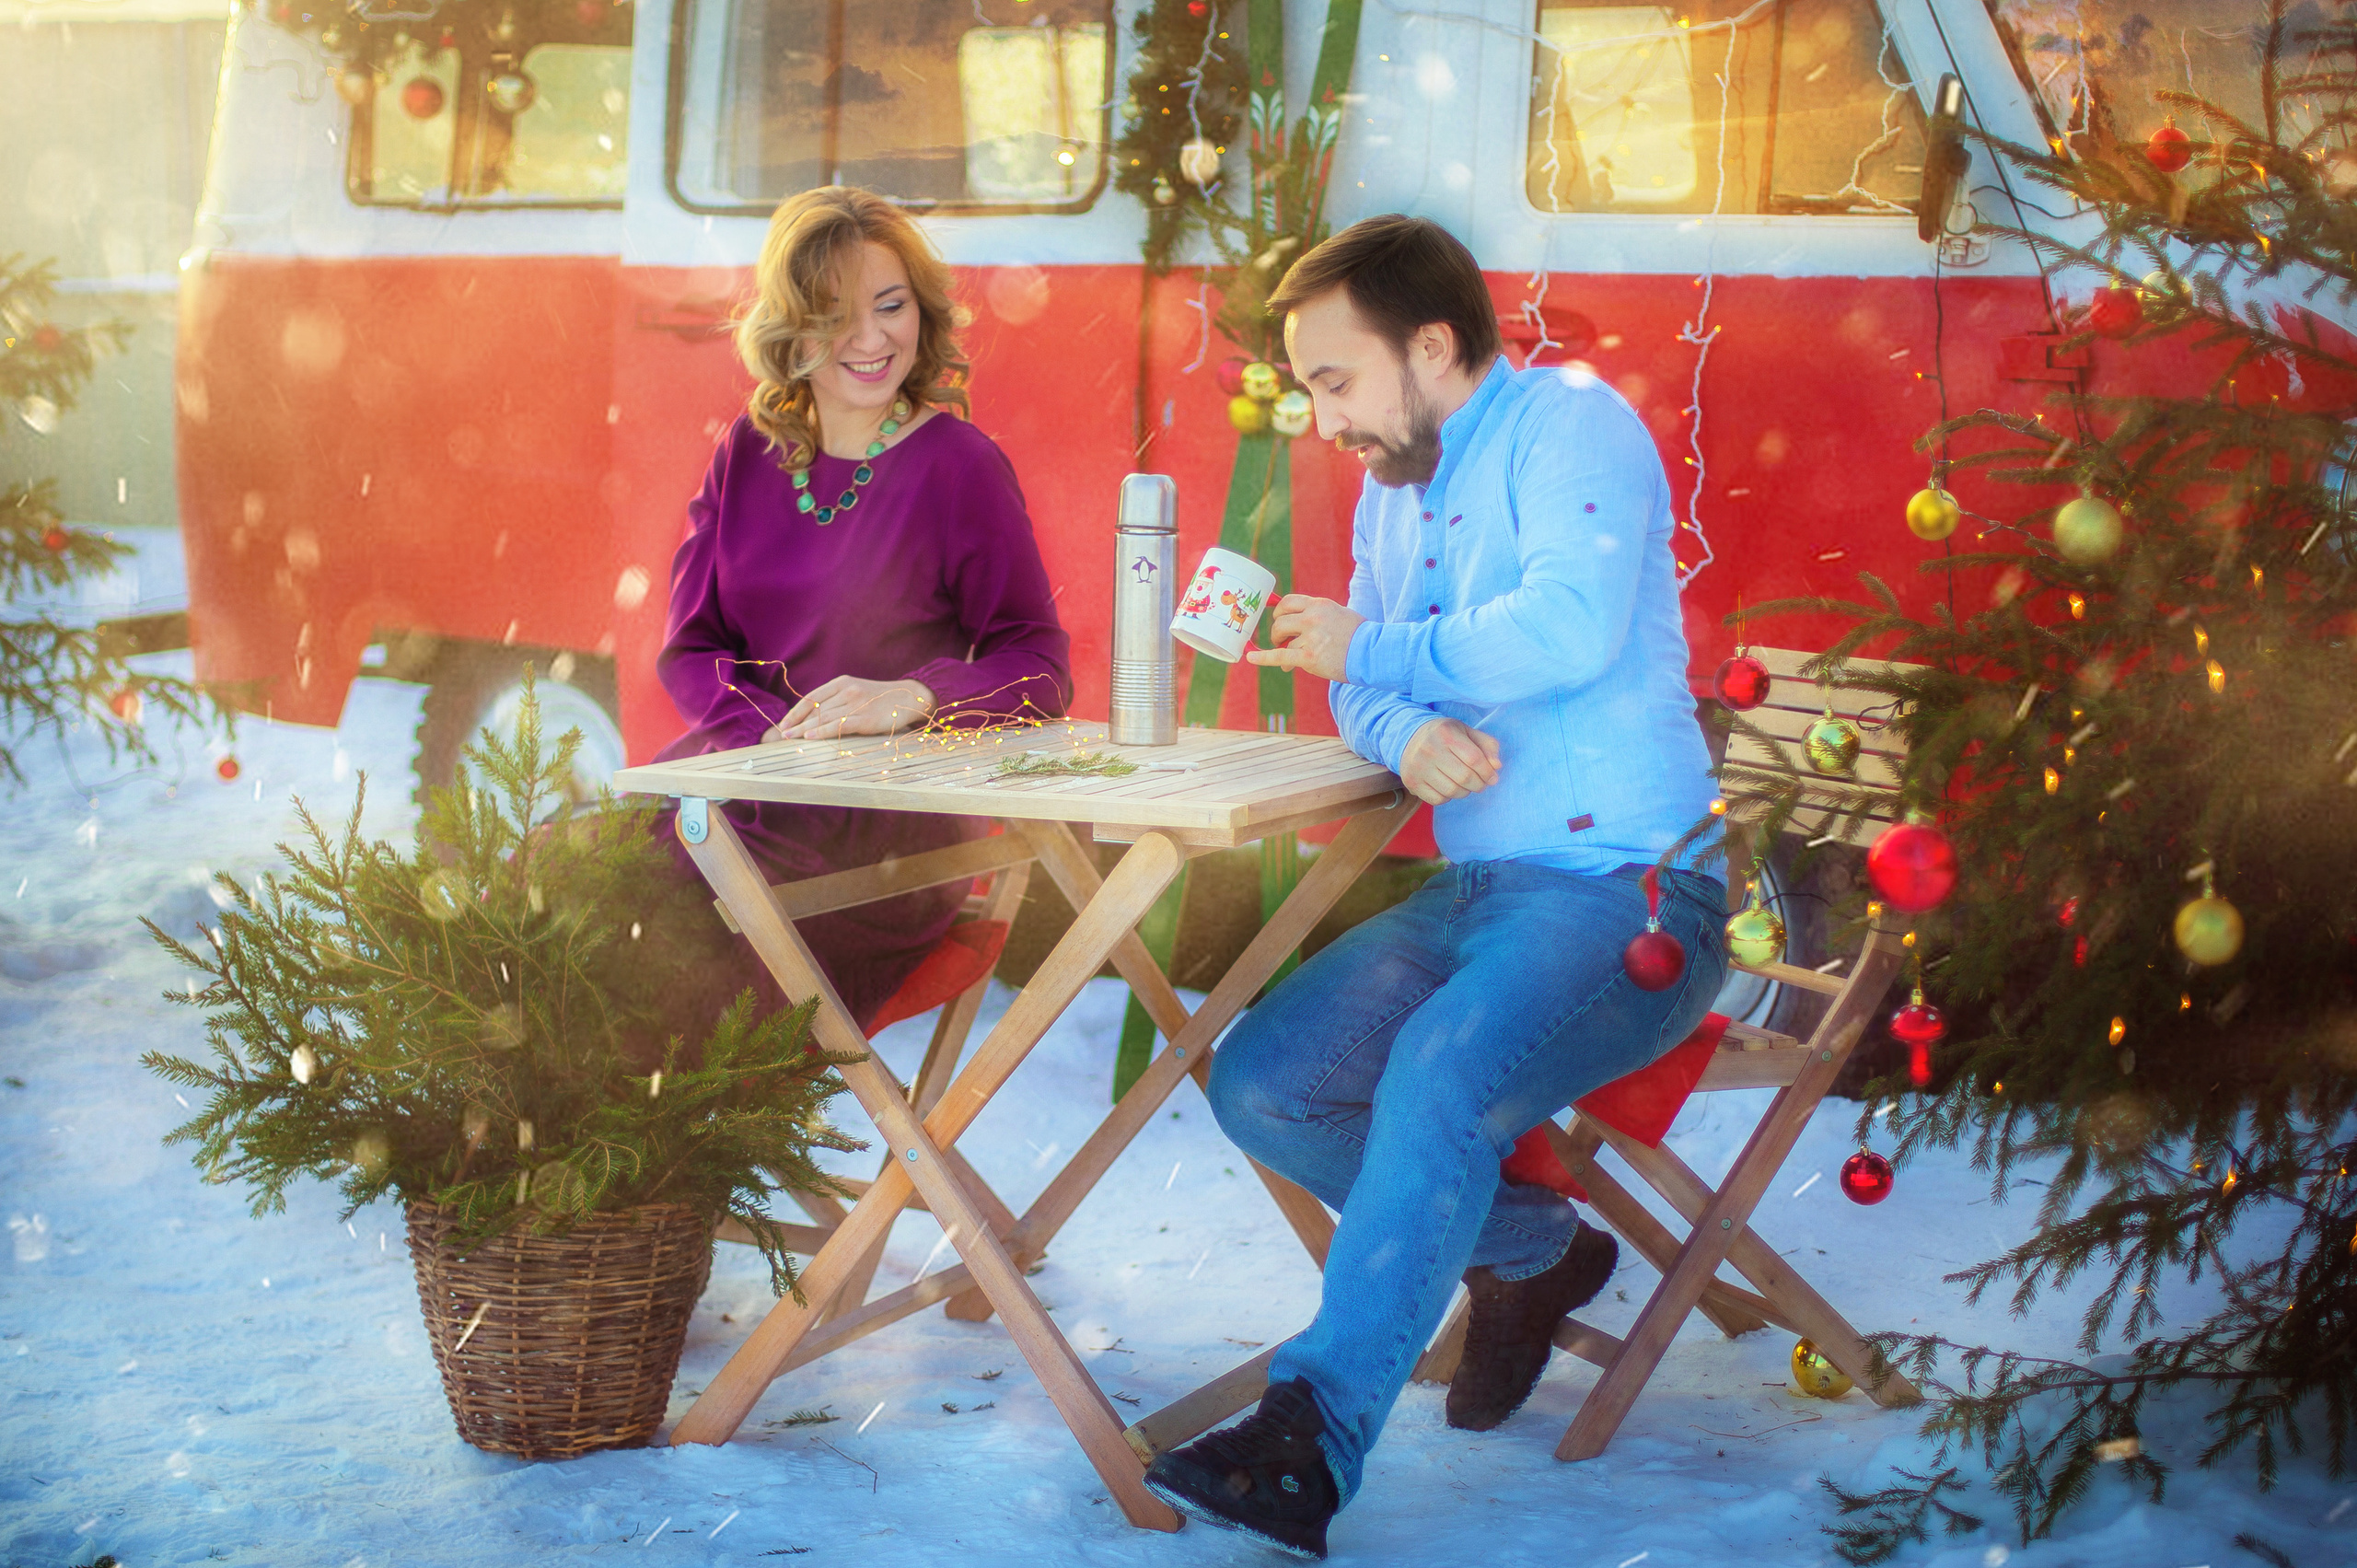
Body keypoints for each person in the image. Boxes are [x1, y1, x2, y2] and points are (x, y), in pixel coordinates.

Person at [1141, 215, 1726, 1558]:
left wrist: (1385, 649)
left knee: (1441, 1073)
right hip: (1480, 894)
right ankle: (1533, 1243)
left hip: (1634, 891)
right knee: (1264, 1080)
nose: (1320, 413)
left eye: (1336, 378)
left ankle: (1311, 1432)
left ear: (1435, 345)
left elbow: (1568, 627)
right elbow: (1359, 678)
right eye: (1307, 387)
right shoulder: (1391, 486)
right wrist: (1399, 725)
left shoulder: (1569, 425)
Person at [647, 186, 1070, 1029]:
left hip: (883, 845)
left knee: (668, 965)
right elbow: (692, 648)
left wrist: (914, 698)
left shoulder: (961, 467)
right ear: (791, 327)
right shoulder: (747, 450)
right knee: (552, 895)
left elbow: (1040, 668)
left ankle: (643, 1156)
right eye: (837, 315)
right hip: (737, 791)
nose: (873, 340)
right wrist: (768, 735)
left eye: (892, 306)